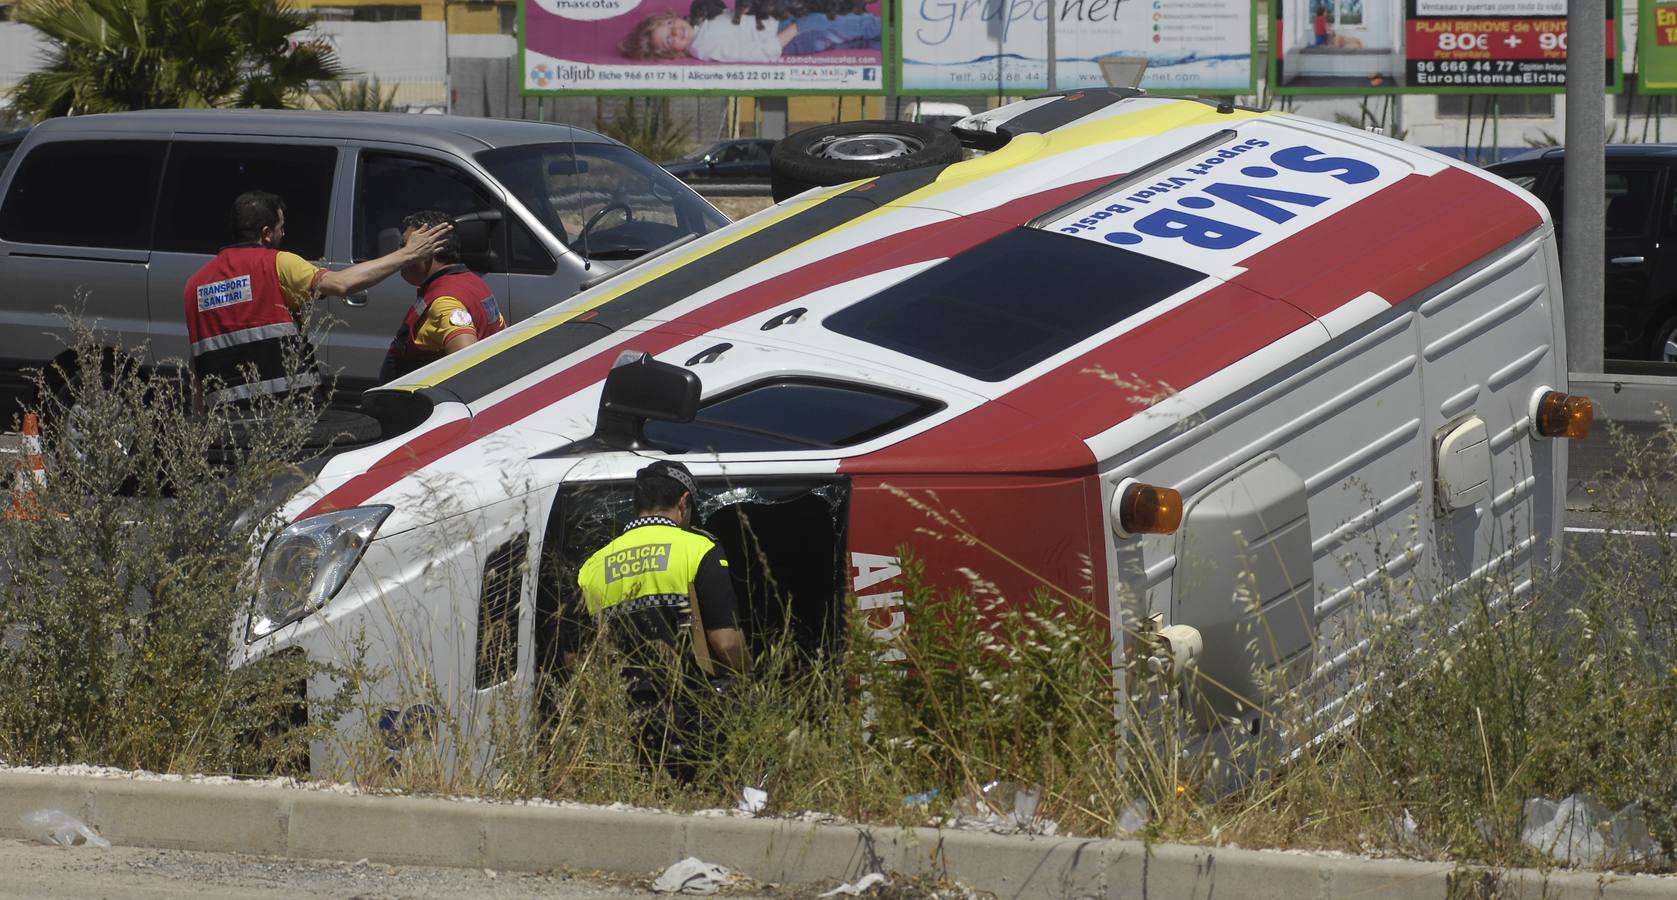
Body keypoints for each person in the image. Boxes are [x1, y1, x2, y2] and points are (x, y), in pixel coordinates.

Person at [183, 191, 450, 408]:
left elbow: (198, 366)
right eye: (281, 229)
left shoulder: (195, 284)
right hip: (285, 413)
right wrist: (408, 255)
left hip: (226, 421)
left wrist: (200, 422)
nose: (282, 235)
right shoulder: (278, 264)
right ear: (266, 233)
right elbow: (342, 284)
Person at [576, 461, 749, 780]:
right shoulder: (698, 548)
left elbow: (582, 656)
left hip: (627, 719)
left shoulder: (594, 566)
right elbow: (726, 643)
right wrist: (750, 676)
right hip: (695, 715)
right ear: (684, 502)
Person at [378, 209, 507, 383]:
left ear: (427, 251)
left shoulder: (445, 302)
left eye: (405, 246)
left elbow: (467, 365)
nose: (399, 255)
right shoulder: (474, 283)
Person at [620, 7, 881, 62]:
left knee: (859, 37)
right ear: (671, 51)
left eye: (669, 24)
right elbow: (753, 53)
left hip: (785, 20)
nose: (676, 31)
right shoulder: (705, 46)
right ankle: (911, 32)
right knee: (860, 25)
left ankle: (898, 42)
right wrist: (797, 28)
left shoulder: (700, 22)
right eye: (669, 39)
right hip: (791, 33)